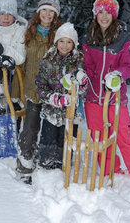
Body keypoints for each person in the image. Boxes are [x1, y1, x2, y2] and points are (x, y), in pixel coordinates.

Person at [82, 0, 130, 191]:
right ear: (95, 14)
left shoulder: (124, 37)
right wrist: (81, 78)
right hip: (92, 99)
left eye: (108, 12)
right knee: (99, 140)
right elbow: (88, 67)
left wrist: (117, 75)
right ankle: (109, 173)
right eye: (100, 12)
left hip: (115, 99)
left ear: (114, 15)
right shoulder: (89, 37)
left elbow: (128, 67)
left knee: (125, 138)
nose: (104, 16)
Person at [14, 0, 62, 183]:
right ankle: (25, 163)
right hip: (32, 89)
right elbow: (21, 65)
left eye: (52, 11)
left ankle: (50, 164)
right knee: (30, 127)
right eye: (44, 10)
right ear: (38, 12)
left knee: (52, 129)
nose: (48, 14)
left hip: (52, 92)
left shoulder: (59, 34)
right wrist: (17, 92)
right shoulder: (28, 33)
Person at [35, 22, 88, 170]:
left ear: (74, 44)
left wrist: (81, 87)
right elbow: (40, 85)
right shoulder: (48, 60)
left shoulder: (79, 61)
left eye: (69, 42)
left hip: (71, 113)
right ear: (57, 42)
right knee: (48, 139)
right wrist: (52, 98)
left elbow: (83, 90)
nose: (65, 45)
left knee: (66, 141)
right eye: (62, 41)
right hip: (51, 111)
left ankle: (63, 168)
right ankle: (45, 168)